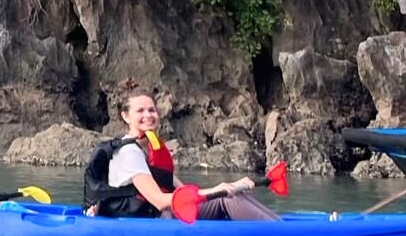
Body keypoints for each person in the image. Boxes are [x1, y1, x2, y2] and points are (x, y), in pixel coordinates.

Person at [84, 93, 278, 220]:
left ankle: (281, 228)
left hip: (163, 213)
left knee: (234, 195)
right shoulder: (129, 152)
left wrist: (232, 186)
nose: (148, 115)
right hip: (153, 218)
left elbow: (184, 191)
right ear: (126, 116)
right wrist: (218, 190)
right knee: (227, 200)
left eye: (151, 110)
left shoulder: (153, 146)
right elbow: (159, 200)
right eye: (140, 111)